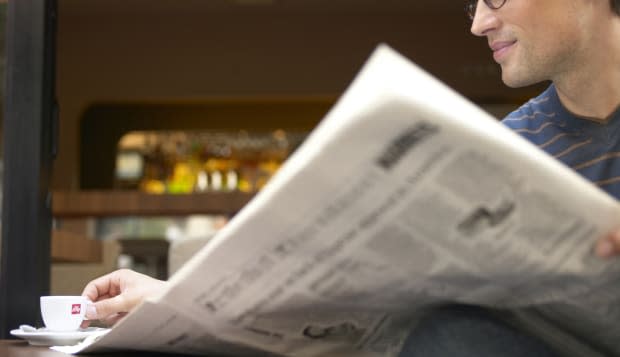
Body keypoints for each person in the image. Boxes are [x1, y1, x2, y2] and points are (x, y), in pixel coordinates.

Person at [82, 0, 620, 355]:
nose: (479, 22)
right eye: (472, 2)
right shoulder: (514, 147)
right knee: (444, 330)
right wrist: (173, 299)